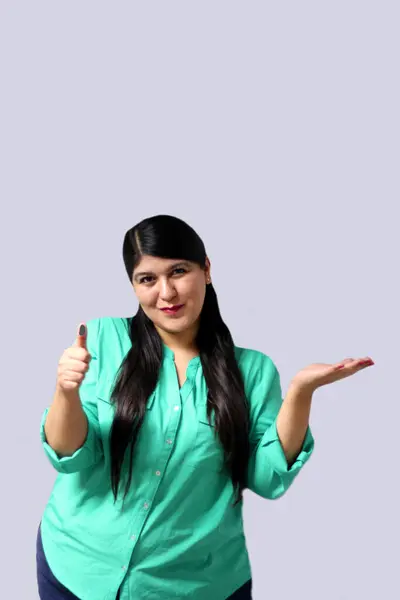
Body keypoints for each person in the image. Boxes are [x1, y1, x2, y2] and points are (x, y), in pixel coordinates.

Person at [37, 214, 374, 600]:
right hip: (76, 568)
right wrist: (66, 391)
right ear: (133, 286)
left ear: (207, 270)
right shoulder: (101, 338)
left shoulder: (252, 371)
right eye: (147, 279)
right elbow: (69, 457)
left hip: (193, 586)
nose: (166, 293)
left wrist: (300, 391)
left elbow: (266, 479)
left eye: (178, 271)